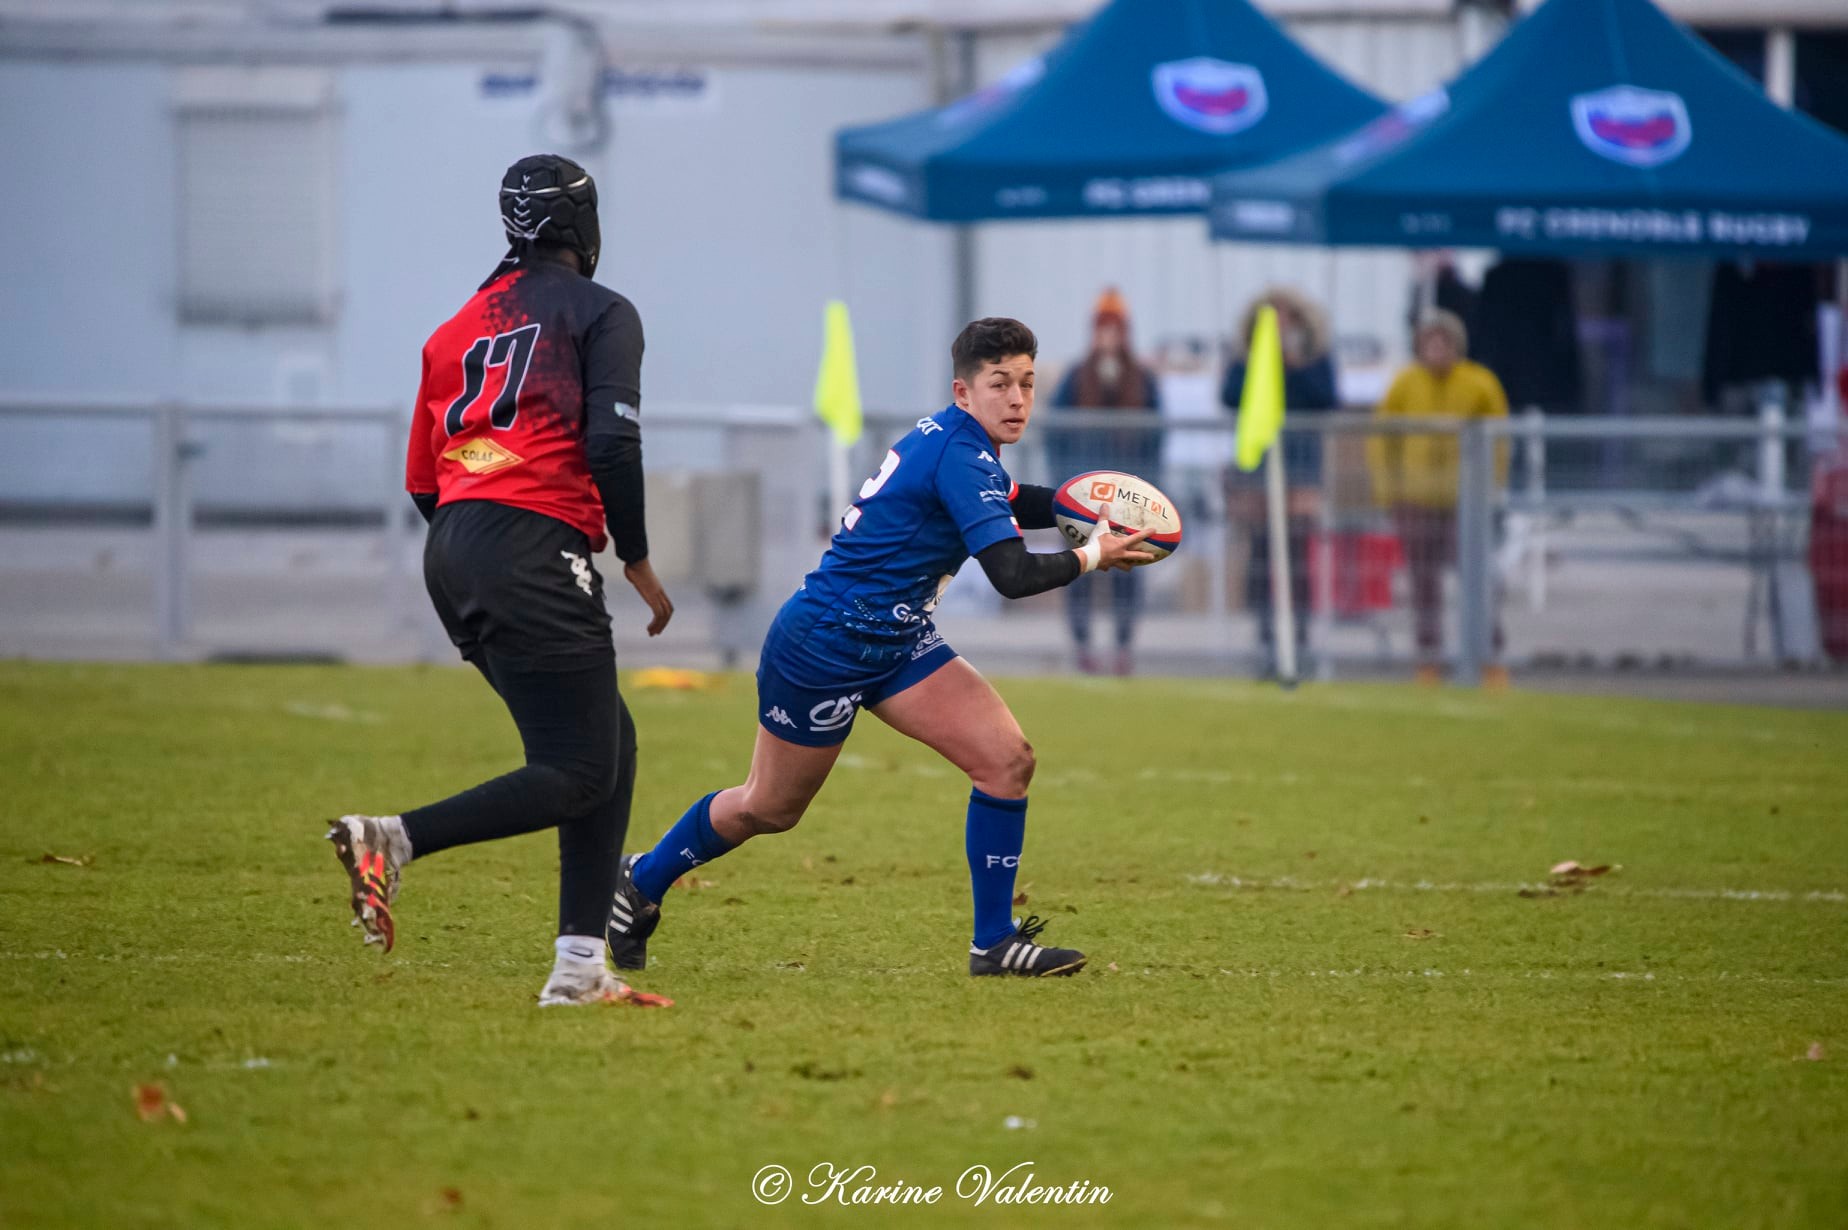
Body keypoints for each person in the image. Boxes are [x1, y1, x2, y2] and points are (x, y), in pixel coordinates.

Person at [606, 318, 1152, 980]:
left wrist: (1085, 507)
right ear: (963, 391)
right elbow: (1011, 576)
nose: (1017, 399)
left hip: (897, 640)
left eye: (1028, 384)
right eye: (1000, 383)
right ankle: (639, 881)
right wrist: (1094, 553)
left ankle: (994, 942)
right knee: (768, 807)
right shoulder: (960, 454)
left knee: (1007, 761)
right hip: (826, 643)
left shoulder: (964, 446)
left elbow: (1014, 499)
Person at [324, 154, 676, 1008]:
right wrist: (633, 553)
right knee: (580, 766)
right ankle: (393, 839)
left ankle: (579, 968)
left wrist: (480, 542)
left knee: (608, 745)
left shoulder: (453, 329)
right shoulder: (603, 311)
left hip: (453, 543)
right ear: (586, 226)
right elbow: (612, 443)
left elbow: (423, 480)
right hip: (531, 542)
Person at [1367, 309, 1509, 686]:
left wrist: (1491, 488)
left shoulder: (1479, 383)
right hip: (1416, 498)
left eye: (1443, 342)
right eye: (1429, 342)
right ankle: (1428, 658)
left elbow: (1498, 441)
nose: (1436, 349)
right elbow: (1382, 441)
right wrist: (1389, 492)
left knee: (1478, 579)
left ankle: (1490, 656)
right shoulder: (1405, 384)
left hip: (1466, 501)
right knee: (1423, 584)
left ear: (1457, 345)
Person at [1219, 287, 1339, 675]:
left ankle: (1298, 637)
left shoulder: (1314, 357)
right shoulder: (1245, 358)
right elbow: (1230, 395)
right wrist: (1261, 364)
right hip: (1258, 473)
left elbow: (1325, 397)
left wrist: (1294, 365)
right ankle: (1266, 635)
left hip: (1301, 470)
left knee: (1298, 557)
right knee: (1262, 555)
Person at [1048, 289, 1163, 675]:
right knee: (1080, 569)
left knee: (1126, 574)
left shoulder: (1141, 380)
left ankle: (1123, 645)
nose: (1109, 337)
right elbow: (1056, 433)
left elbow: (1156, 436)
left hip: (1128, 499)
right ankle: (1083, 645)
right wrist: (1062, 486)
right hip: (1084, 498)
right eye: (1103, 328)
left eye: (1115, 329)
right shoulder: (1077, 378)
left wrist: (1150, 490)